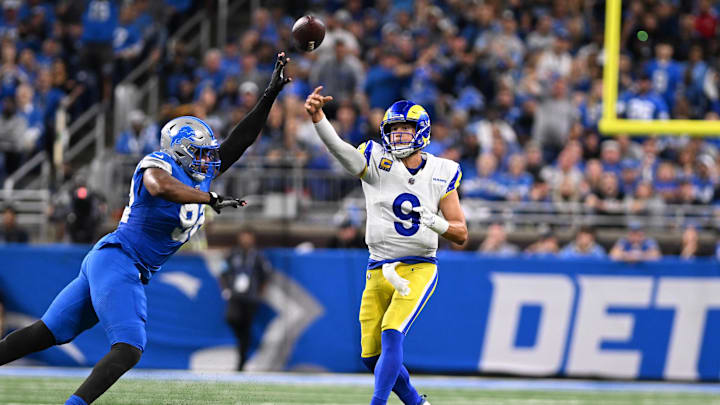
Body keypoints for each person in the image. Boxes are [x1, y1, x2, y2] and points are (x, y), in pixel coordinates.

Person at [0, 52, 292, 405]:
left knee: (44, 334)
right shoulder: (160, 163)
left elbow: (240, 140)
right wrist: (206, 197)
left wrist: (270, 94)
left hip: (111, 260)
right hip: (120, 260)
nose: (207, 159)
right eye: (198, 152)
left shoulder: (201, 172)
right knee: (128, 348)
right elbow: (158, 185)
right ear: (180, 151)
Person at [305, 87, 467, 405]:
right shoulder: (377, 160)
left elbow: (461, 233)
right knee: (370, 356)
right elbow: (341, 151)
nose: (398, 136)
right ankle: (417, 403)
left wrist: (434, 222)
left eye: (405, 129)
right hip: (378, 266)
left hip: (419, 265)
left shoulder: (441, 171)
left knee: (392, 331)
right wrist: (319, 119)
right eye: (393, 130)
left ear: (421, 132)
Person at [219, 229, 272, 371]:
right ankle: (242, 341)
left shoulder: (258, 256)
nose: (245, 240)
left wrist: (261, 293)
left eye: (248, 237)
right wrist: (225, 289)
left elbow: (266, 275)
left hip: (251, 296)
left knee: (247, 327)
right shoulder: (232, 254)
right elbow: (222, 272)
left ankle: (242, 360)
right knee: (231, 318)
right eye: (243, 237)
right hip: (235, 295)